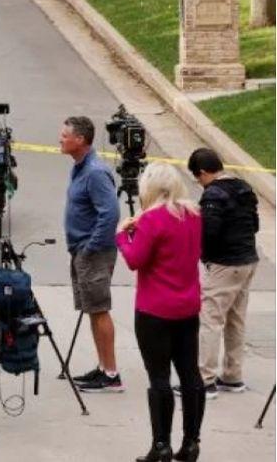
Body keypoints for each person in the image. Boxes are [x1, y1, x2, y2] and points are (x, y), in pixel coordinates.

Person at [116, 162, 204, 462]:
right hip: (188, 304)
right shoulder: (193, 215)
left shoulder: (152, 219)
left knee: (159, 377)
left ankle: (161, 444)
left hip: (155, 308)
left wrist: (123, 236)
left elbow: (135, 259)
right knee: (190, 374)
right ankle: (191, 441)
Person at [187, 147, 260, 400]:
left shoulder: (213, 195)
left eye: (198, 177)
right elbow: (256, 224)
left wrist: (202, 255)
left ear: (204, 172)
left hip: (225, 264)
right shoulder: (244, 188)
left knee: (211, 319)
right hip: (249, 260)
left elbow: (208, 233)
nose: (199, 183)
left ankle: (204, 379)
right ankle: (232, 375)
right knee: (236, 319)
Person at [59, 116, 123, 392]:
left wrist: (91, 247)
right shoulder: (79, 168)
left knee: (99, 310)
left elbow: (110, 214)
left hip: (93, 253)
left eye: (65, 135)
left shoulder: (95, 172)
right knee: (92, 310)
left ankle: (111, 374)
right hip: (82, 251)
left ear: (80, 140)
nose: (60, 139)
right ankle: (102, 367)